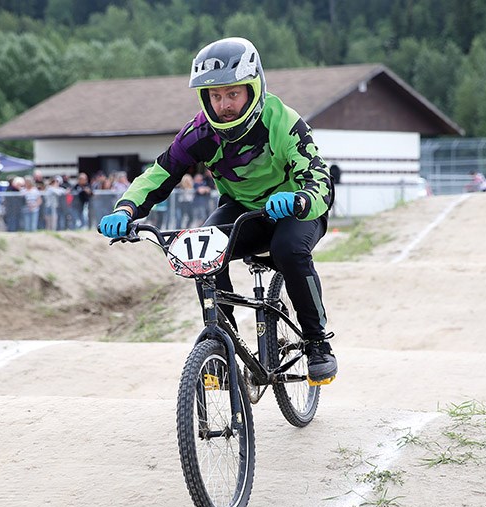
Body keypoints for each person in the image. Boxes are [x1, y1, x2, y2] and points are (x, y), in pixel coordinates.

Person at [98, 37, 337, 385]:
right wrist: (125, 209)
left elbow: (320, 179)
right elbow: (161, 172)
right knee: (204, 251)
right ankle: (221, 346)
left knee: (289, 250)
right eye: (215, 96)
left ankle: (317, 343)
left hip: (297, 211)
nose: (223, 105)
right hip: (243, 211)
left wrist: (299, 199)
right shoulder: (200, 132)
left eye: (232, 94)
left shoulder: (282, 121)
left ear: (253, 88)